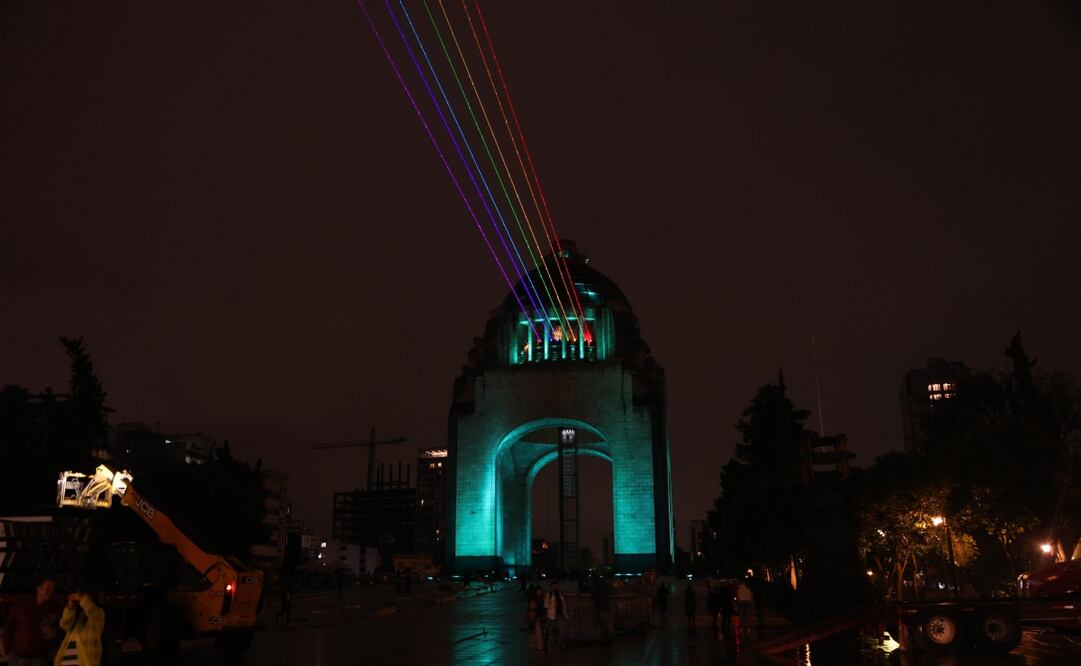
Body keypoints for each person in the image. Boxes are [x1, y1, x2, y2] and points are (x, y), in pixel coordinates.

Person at [2, 578, 60, 666]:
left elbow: (62, 629)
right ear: (38, 589)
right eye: (48, 589)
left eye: (53, 590)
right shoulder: (21, 605)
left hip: (38, 659)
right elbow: (8, 626)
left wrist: (54, 634)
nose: (51, 592)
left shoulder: (55, 609)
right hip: (16, 656)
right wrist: (7, 649)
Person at [54, 584, 104, 666]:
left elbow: (90, 608)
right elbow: (64, 625)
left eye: (83, 595)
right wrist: (70, 607)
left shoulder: (98, 613)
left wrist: (82, 598)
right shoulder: (77, 617)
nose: (78, 597)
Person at [544, 580, 569, 649]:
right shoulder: (548, 595)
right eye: (554, 586)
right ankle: (552, 644)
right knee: (551, 631)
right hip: (551, 615)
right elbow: (545, 605)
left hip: (559, 614)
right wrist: (552, 604)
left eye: (556, 586)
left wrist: (565, 614)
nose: (556, 587)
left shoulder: (559, 594)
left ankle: (562, 644)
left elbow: (563, 604)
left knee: (562, 630)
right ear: (551, 587)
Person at [590, 574, 611, 643]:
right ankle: (608, 638)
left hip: (599, 606)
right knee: (605, 623)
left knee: (602, 623)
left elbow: (593, 598)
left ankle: (605, 638)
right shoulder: (604, 586)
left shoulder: (595, 587)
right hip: (605, 606)